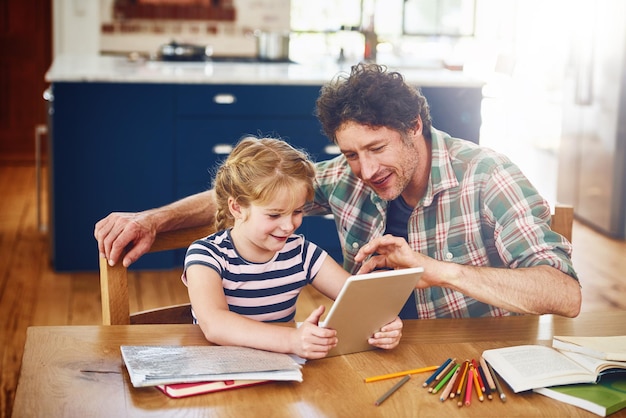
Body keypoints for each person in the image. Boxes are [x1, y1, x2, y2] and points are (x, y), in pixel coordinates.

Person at [95, 63, 581, 320]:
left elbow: (565, 295)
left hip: (469, 361)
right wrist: (153, 220)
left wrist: (440, 272)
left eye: (376, 147)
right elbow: (251, 193)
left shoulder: (487, 176)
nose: (366, 170)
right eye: (350, 153)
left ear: (414, 126)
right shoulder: (349, 177)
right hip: (370, 352)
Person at [181, 136, 402, 359]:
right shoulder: (206, 255)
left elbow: (358, 298)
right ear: (237, 208)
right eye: (274, 214)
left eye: (297, 212)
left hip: (280, 367)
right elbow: (215, 324)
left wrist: (384, 323)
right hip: (217, 368)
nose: (288, 226)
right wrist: (291, 340)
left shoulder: (300, 252)